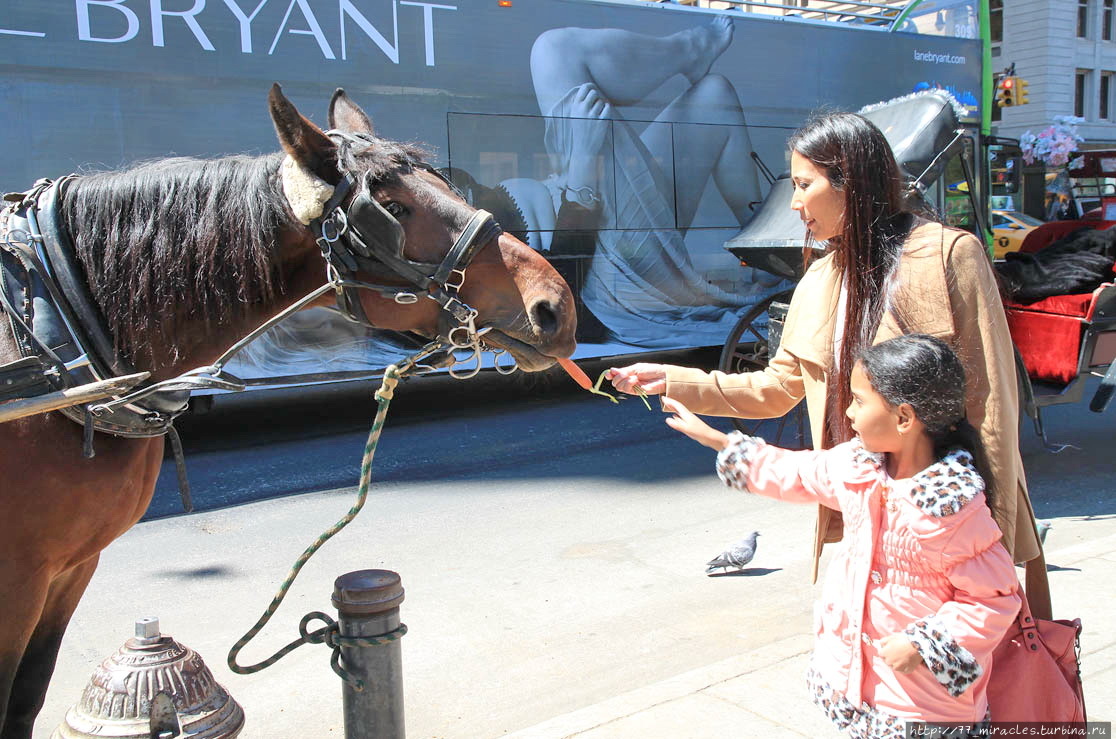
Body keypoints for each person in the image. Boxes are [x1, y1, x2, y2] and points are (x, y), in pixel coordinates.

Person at [608, 111, 1048, 616]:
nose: (794, 204)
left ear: (850, 181)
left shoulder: (948, 254)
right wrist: (673, 380)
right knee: (867, 667)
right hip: (862, 520)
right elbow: (777, 389)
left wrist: (992, 535)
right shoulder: (818, 278)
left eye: (803, 185)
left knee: (952, 677)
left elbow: (991, 401)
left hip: (945, 522)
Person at [663, 334, 1021, 733]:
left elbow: (994, 600)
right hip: (853, 681)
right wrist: (718, 440)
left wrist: (924, 645)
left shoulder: (951, 511)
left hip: (922, 703)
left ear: (904, 418)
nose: (849, 412)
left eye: (860, 400)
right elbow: (795, 472)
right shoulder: (858, 469)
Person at [484, 17, 774, 347]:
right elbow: (559, 290)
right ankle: (690, 49)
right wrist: (581, 168)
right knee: (555, 51)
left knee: (714, 95)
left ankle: (766, 256)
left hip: (600, 211)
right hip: (603, 256)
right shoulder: (435, 254)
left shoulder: (428, 211)